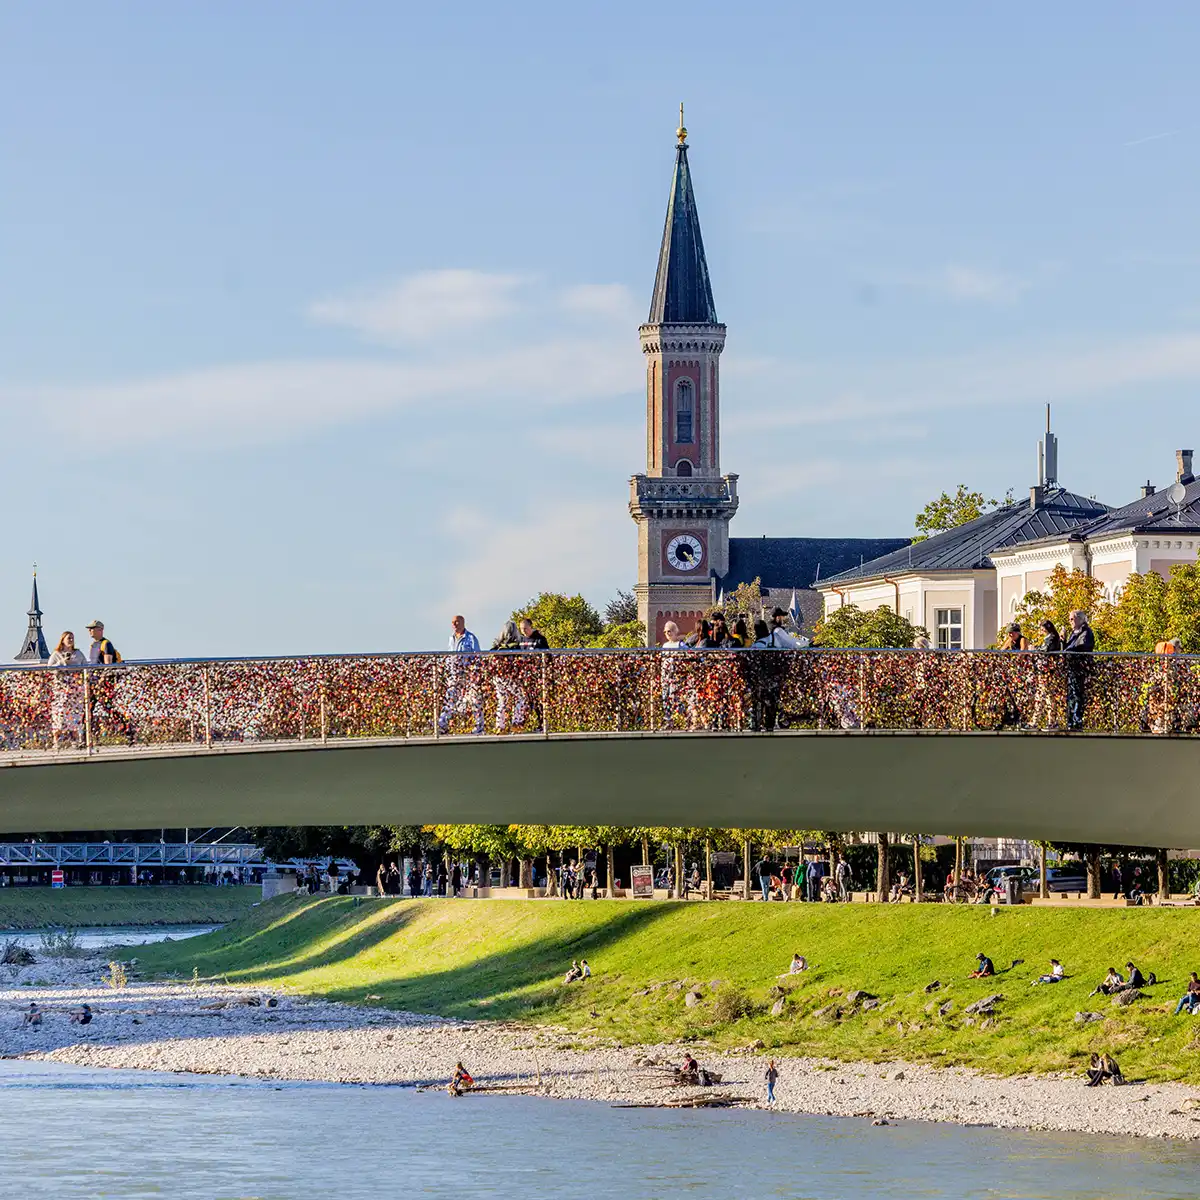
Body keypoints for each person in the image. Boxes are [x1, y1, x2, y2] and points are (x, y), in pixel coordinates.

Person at [438, 615, 484, 735]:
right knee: (450, 697)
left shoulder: (471, 638)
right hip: (454, 674)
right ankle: (442, 724)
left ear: (462, 623)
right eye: (453, 622)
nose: (454, 624)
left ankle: (479, 726)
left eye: (457, 622)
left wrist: (475, 672)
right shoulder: (451, 638)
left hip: (468, 674)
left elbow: (477, 655)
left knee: (474, 700)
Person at [47, 631, 88, 746]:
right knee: (59, 713)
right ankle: (56, 740)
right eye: (68, 638)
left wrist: (76, 668)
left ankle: (75, 739)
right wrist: (62, 663)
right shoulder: (56, 654)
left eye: (72, 638)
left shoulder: (78, 653)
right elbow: (49, 668)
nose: (71, 640)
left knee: (74, 713)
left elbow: (85, 665)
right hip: (61, 688)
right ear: (63, 640)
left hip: (74, 689)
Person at [490, 620, 529, 733]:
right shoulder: (516, 646)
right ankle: (516, 723)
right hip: (509, 676)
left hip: (498, 677)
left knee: (502, 699)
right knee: (520, 697)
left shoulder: (497, 646)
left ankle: (500, 726)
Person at [1027, 619, 1064, 730]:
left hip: (1047, 671)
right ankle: (1052, 722)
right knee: (1048, 696)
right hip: (1046, 671)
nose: (1041, 630)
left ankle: (1035, 722)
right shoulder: (1050, 638)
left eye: (1042, 627)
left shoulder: (1051, 638)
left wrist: (1035, 650)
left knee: (1042, 695)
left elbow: (1046, 650)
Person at [1063, 609, 1095, 730]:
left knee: (1077, 694)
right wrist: (1063, 640)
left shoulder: (1086, 632)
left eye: (1072, 618)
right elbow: (1067, 648)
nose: (1070, 621)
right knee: (1071, 694)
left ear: (1080, 619)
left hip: (1079, 668)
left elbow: (1083, 647)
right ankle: (1070, 721)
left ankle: (1077, 721)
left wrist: (1068, 652)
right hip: (1071, 667)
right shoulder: (1074, 633)